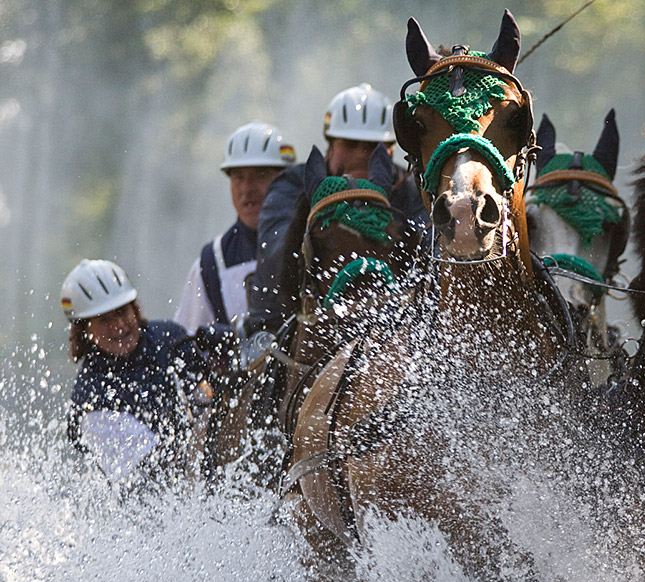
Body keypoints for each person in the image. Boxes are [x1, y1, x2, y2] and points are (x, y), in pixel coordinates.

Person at [246, 83, 426, 335]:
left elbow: (428, 256)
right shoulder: (292, 186)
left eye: (373, 147)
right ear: (330, 146)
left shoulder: (411, 189)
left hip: (392, 325)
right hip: (286, 324)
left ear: (391, 150)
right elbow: (278, 256)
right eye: (351, 145)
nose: (361, 155)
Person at [63, 259, 212, 493]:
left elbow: (213, 392)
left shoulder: (170, 338)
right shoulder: (91, 402)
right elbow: (153, 475)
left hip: (207, 470)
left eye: (122, 311)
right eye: (104, 320)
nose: (119, 325)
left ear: (134, 308)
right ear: (84, 331)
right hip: (156, 510)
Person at [174, 121, 297, 334]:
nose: (247, 189)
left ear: (285, 179)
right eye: (238, 177)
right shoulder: (212, 263)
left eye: (260, 175)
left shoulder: (315, 240)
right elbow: (188, 346)